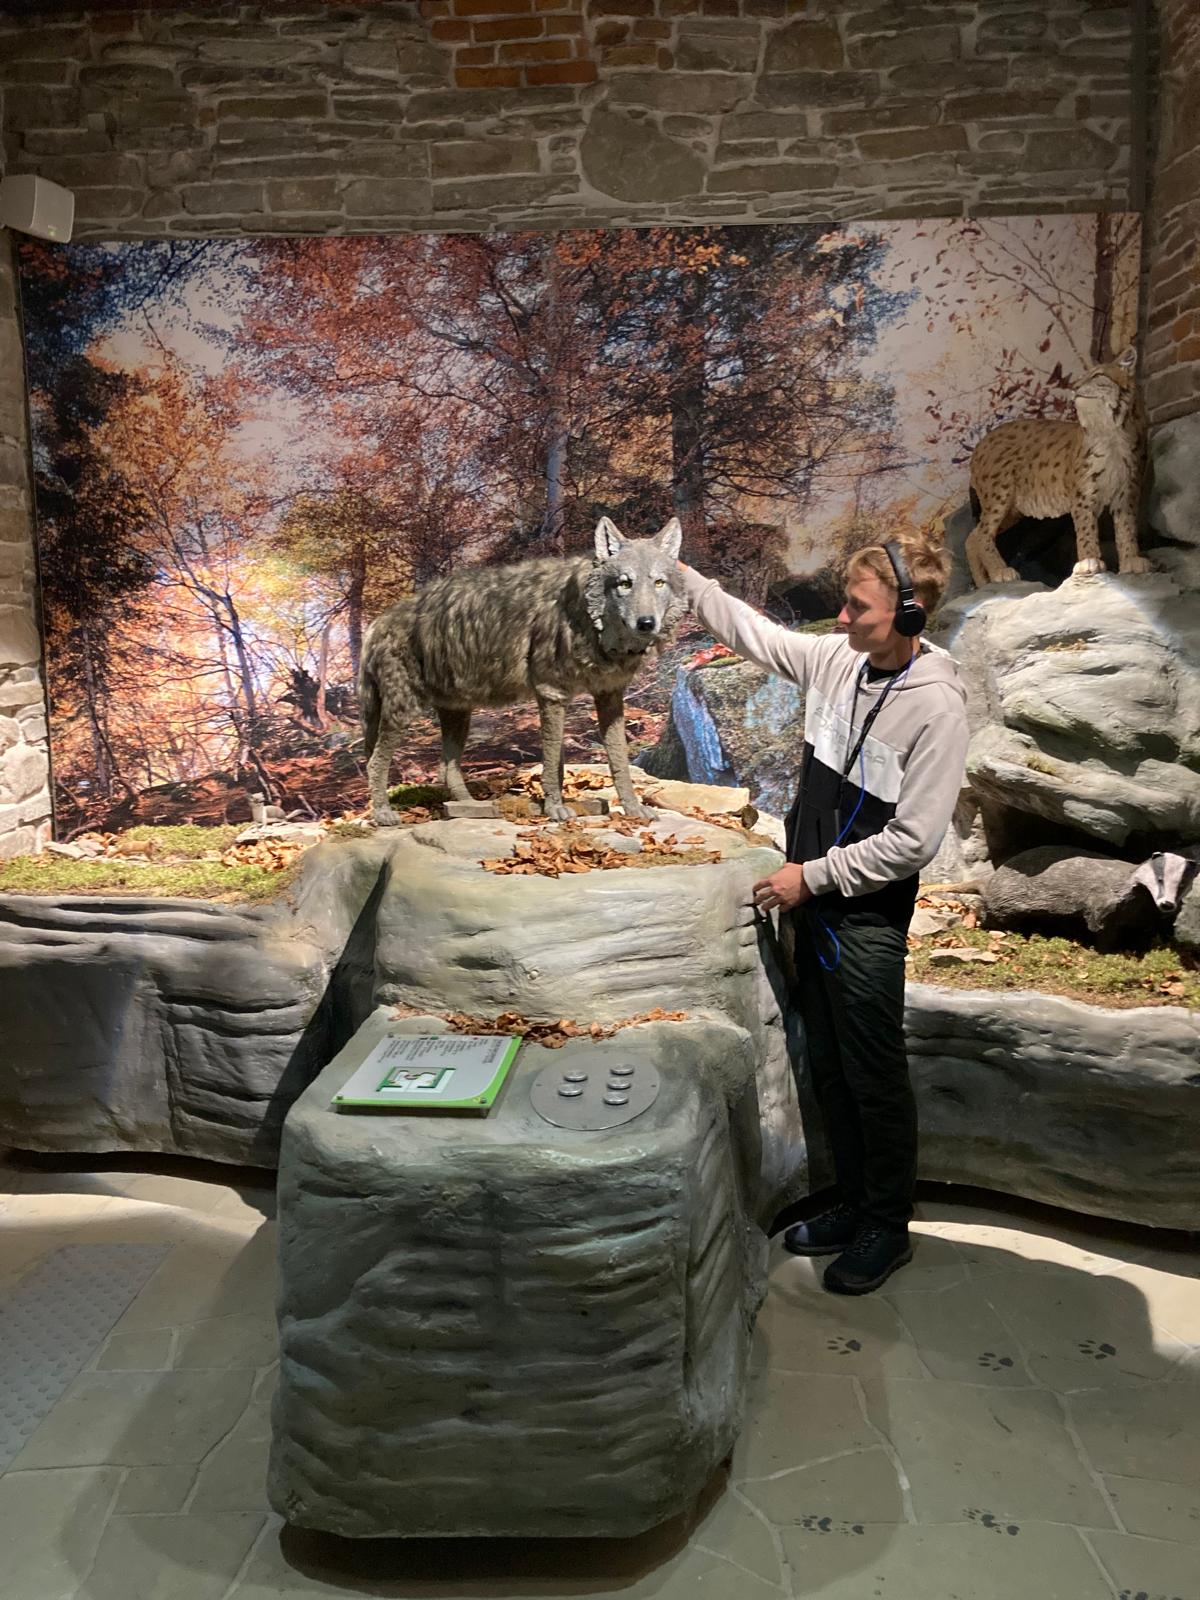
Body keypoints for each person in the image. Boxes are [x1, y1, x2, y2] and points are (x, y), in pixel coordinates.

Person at [677, 536, 969, 1294]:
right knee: (832, 1068)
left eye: (858, 607)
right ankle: (851, 1201)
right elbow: (756, 633)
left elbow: (913, 841)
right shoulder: (838, 661)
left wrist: (812, 878)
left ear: (909, 613)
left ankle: (886, 1225)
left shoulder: (936, 706)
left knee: (873, 1073)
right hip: (810, 900)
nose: (841, 618)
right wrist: (681, 579)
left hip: (864, 919)